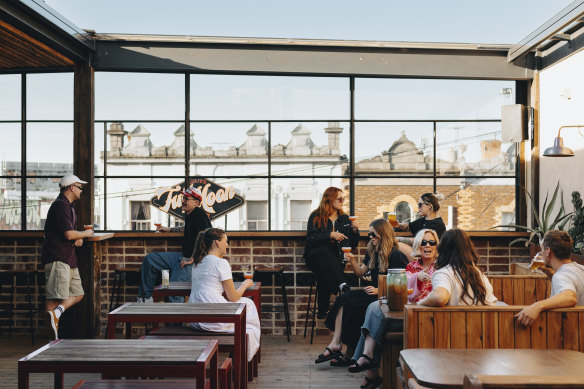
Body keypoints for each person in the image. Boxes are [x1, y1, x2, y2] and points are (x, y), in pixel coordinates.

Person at [315, 219, 408, 367]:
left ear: (383, 235)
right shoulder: (373, 250)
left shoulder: (396, 255)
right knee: (344, 300)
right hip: (371, 292)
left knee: (352, 306)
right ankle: (336, 343)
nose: (371, 237)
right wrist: (352, 259)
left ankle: (346, 351)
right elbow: (360, 273)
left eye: (374, 235)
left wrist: (380, 290)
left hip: (384, 297)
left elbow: (403, 282)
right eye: (370, 234)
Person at [188, 228, 260, 361]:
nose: (227, 244)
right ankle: (244, 349)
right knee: (248, 304)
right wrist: (245, 284)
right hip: (213, 319)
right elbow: (233, 296)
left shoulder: (197, 262)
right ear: (217, 243)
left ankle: (241, 346)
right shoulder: (221, 263)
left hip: (195, 319)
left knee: (243, 306)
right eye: (226, 241)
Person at [42, 174, 94, 340]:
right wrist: (85, 234)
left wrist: (78, 237)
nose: (81, 191)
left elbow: (69, 234)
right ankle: (51, 340)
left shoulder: (68, 206)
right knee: (53, 299)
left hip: (68, 259)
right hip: (58, 258)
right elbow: (68, 233)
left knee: (78, 293)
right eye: (80, 187)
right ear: (72, 188)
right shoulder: (61, 206)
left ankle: (57, 314)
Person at [138, 187, 211, 302]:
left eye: (186, 199)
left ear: (196, 202)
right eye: (183, 198)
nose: (183, 201)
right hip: (183, 258)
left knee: (173, 293)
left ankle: (176, 320)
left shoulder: (199, 215)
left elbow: (208, 237)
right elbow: (186, 228)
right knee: (151, 259)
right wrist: (169, 230)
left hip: (193, 263)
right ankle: (145, 298)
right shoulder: (191, 214)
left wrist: (193, 258)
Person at [304, 187, 360, 318]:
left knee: (325, 270)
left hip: (335, 260)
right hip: (314, 257)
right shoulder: (316, 216)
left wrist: (355, 232)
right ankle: (342, 285)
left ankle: (323, 310)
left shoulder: (345, 219)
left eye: (343, 199)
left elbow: (353, 245)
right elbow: (311, 239)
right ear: (330, 199)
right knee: (323, 253)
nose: (342, 201)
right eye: (339, 199)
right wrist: (330, 235)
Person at [515, 230, 584, 327]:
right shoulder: (580, 268)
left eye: (542, 249)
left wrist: (536, 306)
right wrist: (550, 273)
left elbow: (570, 297)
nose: (541, 253)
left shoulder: (561, 276)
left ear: (548, 251)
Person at [417, 228, 497, 307]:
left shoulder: (444, 274)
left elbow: (439, 298)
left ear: (443, 249)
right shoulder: (480, 275)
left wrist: (421, 303)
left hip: (459, 319)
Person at [396, 193, 446, 259]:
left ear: (429, 206)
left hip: (429, 256)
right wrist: (397, 225)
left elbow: (419, 241)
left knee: (398, 245)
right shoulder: (422, 220)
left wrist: (398, 239)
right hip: (420, 253)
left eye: (420, 204)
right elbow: (408, 226)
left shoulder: (437, 224)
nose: (418, 207)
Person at [406, 229, 439, 303]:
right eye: (423, 243)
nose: (428, 245)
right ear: (418, 246)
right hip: (414, 308)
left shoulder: (442, 266)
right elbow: (406, 288)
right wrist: (416, 277)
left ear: (436, 246)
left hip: (436, 307)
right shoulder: (411, 267)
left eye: (432, 243)